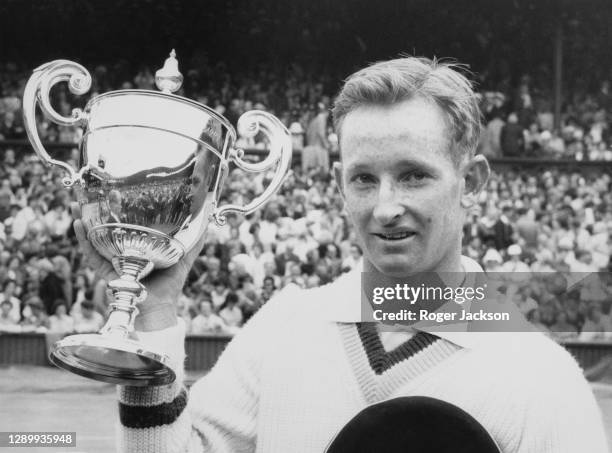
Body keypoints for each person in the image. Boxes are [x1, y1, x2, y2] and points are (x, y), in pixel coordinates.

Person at [71, 57, 608, 452]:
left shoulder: (541, 378)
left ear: (473, 182)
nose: (385, 207)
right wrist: (157, 315)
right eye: (364, 179)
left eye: (414, 175)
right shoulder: (284, 326)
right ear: (337, 183)